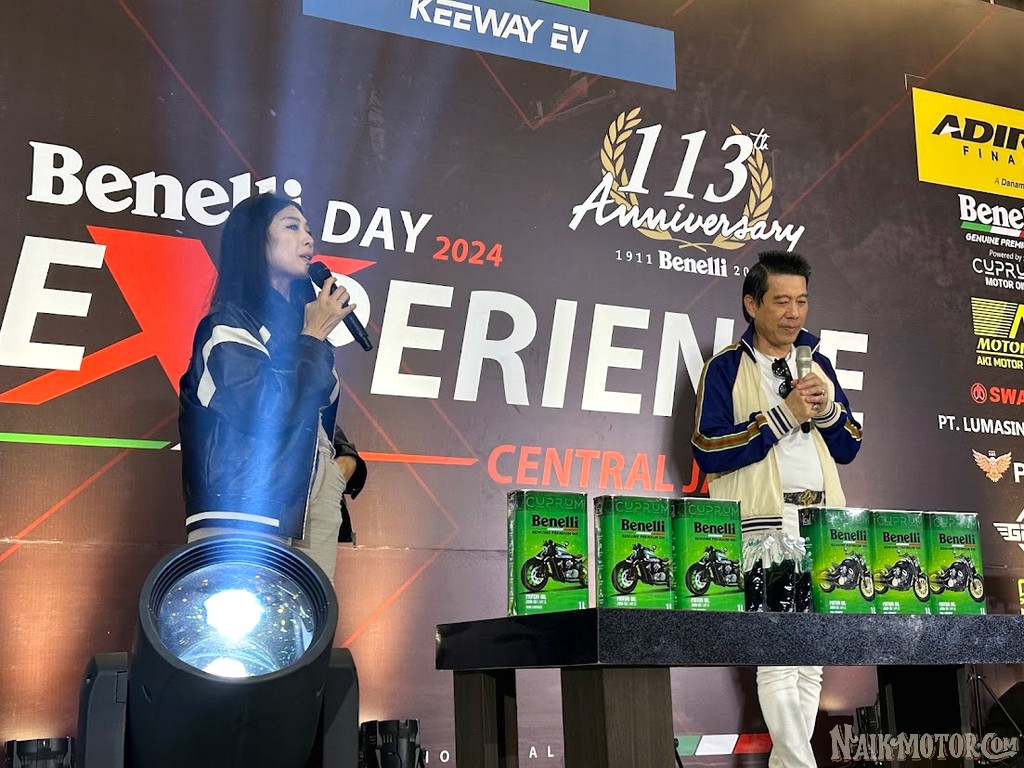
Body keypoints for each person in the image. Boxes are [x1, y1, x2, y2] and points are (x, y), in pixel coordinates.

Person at [691, 250, 862, 768]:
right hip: (763, 523)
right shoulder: (725, 367)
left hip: (822, 523)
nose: (794, 313)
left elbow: (850, 446)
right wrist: (782, 416)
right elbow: (707, 448)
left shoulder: (817, 364)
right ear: (752, 304)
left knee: (811, 659)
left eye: (802, 302)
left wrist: (826, 410)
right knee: (778, 657)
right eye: (782, 301)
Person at [178, 192, 367, 585]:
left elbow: (313, 414)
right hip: (248, 503)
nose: (308, 239)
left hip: (313, 503)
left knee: (308, 620)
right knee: (242, 619)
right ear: (255, 240)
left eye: (309, 230)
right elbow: (263, 410)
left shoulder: (304, 332)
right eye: (292, 226)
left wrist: (341, 464)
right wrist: (313, 336)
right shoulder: (227, 326)